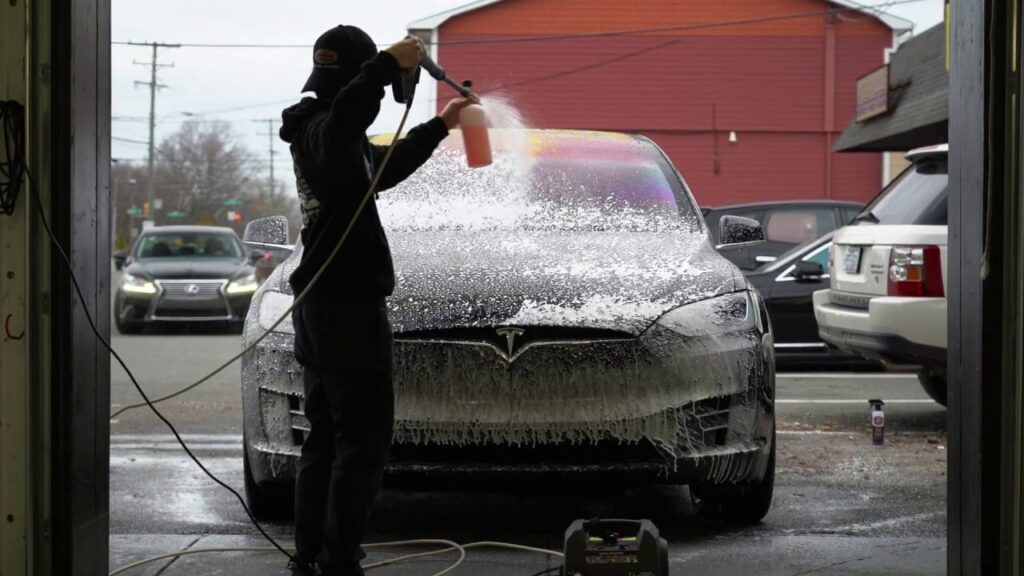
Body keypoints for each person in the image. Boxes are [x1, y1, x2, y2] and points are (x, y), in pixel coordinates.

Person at [278, 25, 476, 576]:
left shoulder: (329, 141)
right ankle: (339, 561)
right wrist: (386, 65)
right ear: (352, 81)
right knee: (361, 443)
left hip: (323, 305)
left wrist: (441, 125)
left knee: (325, 438)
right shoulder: (326, 130)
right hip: (344, 307)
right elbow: (350, 117)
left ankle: (311, 555)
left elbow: (382, 168)